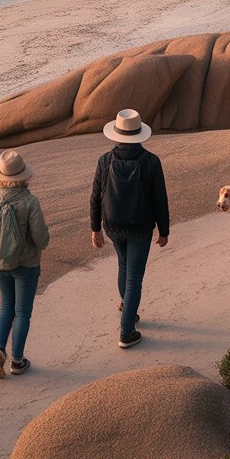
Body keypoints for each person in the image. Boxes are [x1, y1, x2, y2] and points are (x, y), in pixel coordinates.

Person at [90, 108, 170, 348]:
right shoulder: (151, 161)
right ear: (139, 134)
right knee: (134, 278)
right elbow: (160, 199)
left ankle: (129, 310)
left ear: (116, 134)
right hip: (140, 227)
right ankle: (126, 332)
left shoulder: (104, 160)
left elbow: (95, 197)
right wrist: (164, 230)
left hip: (113, 226)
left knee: (124, 267)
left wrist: (96, 229)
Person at [0, 150, 50, 378]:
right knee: (22, 312)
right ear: (23, 176)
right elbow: (41, 238)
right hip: (26, 264)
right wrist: (40, 246)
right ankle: (17, 361)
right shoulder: (29, 201)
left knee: (6, 305)